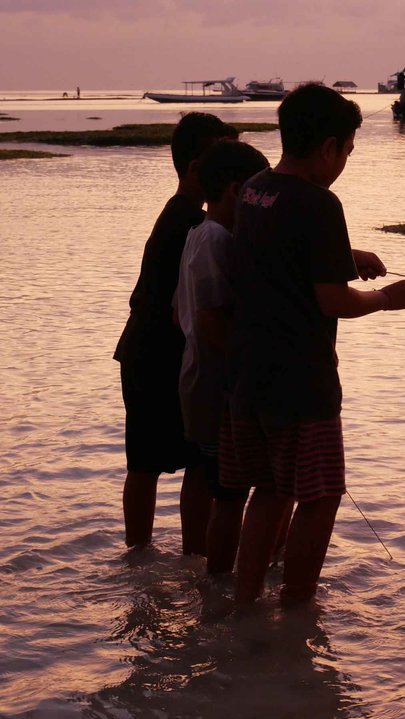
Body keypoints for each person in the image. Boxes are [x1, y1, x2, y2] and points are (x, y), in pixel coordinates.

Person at [221, 83, 405, 606]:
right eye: (349, 151)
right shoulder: (319, 202)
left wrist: (344, 254)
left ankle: (244, 604)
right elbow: (333, 301)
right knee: (321, 495)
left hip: (246, 375)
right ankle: (297, 608)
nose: (345, 162)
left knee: (269, 490)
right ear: (329, 147)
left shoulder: (254, 190)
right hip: (300, 380)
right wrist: (386, 298)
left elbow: (276, 256)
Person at [114, 113, 237, 552]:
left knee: (155, 463)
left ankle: (147, 557)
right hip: (154, 355)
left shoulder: (188, 217)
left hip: (143, 352)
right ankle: (178, 554)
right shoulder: (191, 225)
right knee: (182, 463)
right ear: (196, 170)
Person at [173, 140, 270, 575]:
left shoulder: (198, 234)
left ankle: (208, 570)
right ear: (236, 191)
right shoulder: (216, 240)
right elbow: (210, 321)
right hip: (213, 385)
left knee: (216, 482)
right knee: (229, 491)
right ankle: (219, 578)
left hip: (195, 377)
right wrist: (253, 359)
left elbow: (179, 313)